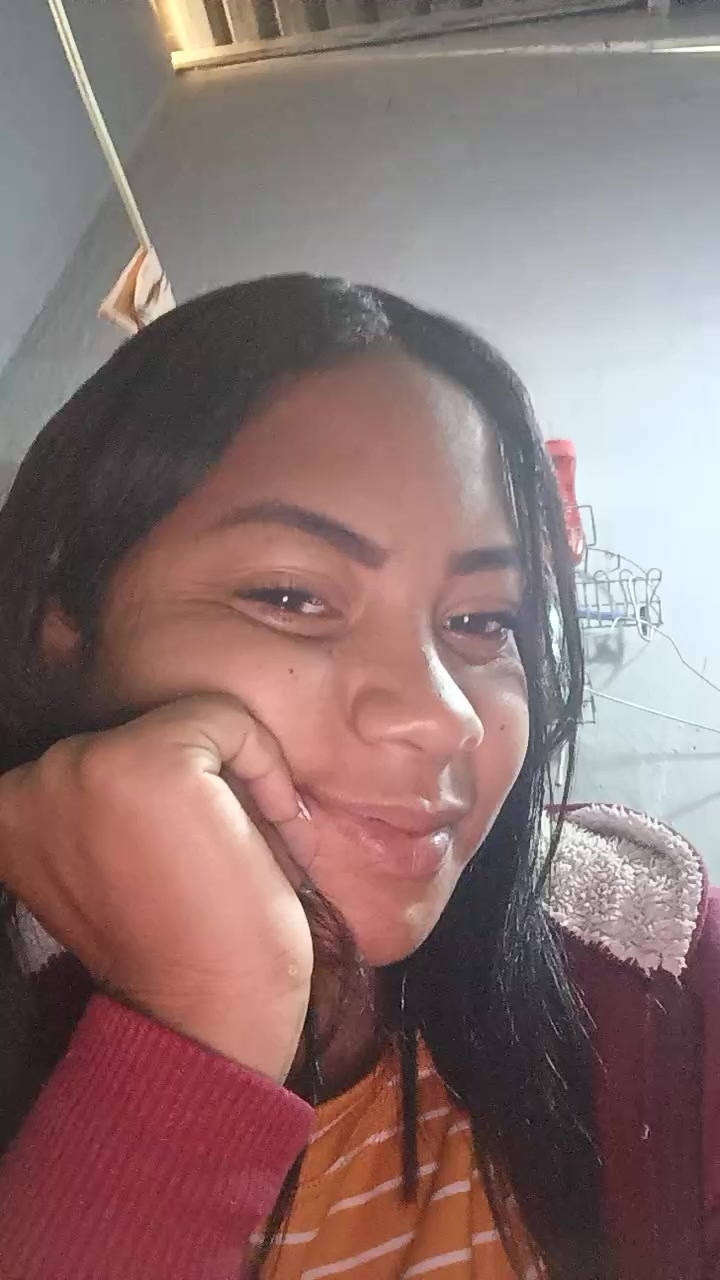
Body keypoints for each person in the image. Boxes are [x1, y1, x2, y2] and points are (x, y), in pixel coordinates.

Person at [0, 275, 716, 1280]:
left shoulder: (661, 975)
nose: (445, 714)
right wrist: (193, 1029)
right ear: (63, 628)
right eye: (291, 595)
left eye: (483, 620)